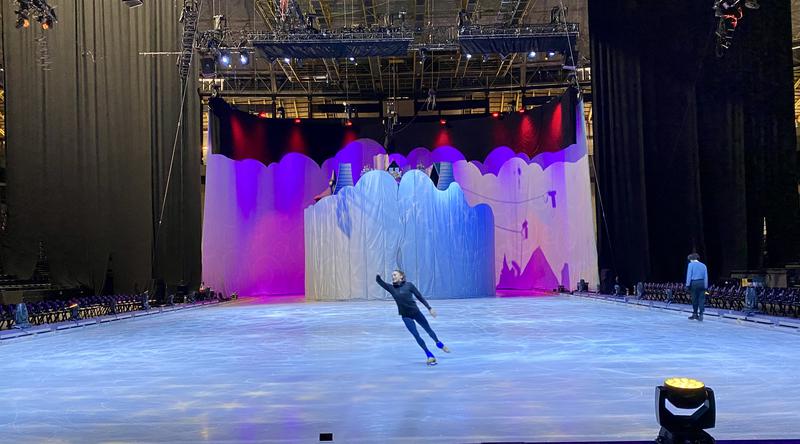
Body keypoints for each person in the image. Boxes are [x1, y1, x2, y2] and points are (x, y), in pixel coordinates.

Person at [376, 271, 450, 366]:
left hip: (416, 313)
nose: (393, 276)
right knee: (416, 335)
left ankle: (438, 343)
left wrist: (429, 308)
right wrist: (378, 275)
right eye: (392, 275)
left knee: (428, 330)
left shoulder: (409, 285)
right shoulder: (391, 288)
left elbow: (419, 297)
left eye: (395, 275)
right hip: (406, 316)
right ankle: (429, 355)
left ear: (401, 276)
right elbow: (379, 282)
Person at [685, 253, 709, 321]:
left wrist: (687, 285)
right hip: (702, 283)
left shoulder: (691, 264)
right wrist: (706, 286)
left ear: (691, 259)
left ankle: (695, 314)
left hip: (694, 283)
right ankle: (701, 314)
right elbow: (706, 277)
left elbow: (689, 275)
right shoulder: (703, 265)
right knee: (701, 299)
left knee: (694, 299)